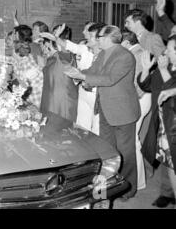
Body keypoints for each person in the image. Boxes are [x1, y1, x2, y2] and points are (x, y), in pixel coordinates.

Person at [66, 25, 140, 200]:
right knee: (108, 152)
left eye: (98, 37)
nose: (96, 40)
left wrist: (84, 77)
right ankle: (110, 185)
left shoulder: (125, 55)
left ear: (108, 38)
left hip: (123, 112)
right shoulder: (103, 54)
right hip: (105, 109)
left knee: (125, 153)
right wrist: (77, 73)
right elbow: (93, 72)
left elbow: (110, 79)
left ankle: (128, 189)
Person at [41, 22, 105, 134]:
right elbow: (69, 47)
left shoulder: (106, 54)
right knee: (81, 128)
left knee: (97, 131)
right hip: (83, 92)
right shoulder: (84, 49)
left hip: (97, 95)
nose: (86, 35)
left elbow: (66, 54)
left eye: (91, 35)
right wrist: (56, 38)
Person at [138, 36, 176, 208]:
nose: (165, 51)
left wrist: (162, 70)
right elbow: (147, 85)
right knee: (169, 164)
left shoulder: (166, 69)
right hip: (163, 125)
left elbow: (172, 95)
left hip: (174, 126)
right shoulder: (166, 67)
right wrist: (146, 69)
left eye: (169, 48)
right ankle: (169, 194)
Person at [121, 31, 149, 191]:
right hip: (137, 99)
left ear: (126, 43)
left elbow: (140, 84)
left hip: (139, 99)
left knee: (132, 140)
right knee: (132, 139)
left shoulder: (136, 53)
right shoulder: (135, 52)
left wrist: (129, 102)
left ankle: (137, 182)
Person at [40, 25, 78, 122]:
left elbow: (65, 51)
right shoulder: (51, 58)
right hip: (49, 99)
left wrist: (55, 38)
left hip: (62, 102)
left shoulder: (65, 56)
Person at [10, 40, 43, 108]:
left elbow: (38, 79)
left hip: (37, 95)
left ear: (17, 52)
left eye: (13, 51)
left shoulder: (28, 62)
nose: (12, 53)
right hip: (30, 97)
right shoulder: (18, 62)